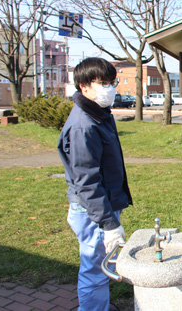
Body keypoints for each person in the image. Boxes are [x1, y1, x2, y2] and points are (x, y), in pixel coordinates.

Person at [58, 57, 132, 311]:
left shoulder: (99, 114)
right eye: (102, 83)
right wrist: (108, 223)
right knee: (94, 269)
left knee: (101, 266)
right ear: (83, 86)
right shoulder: (83, 125)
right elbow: (87, 182)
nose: (110, 89)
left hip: (103, 205)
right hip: (93, 211)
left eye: (112, 82)